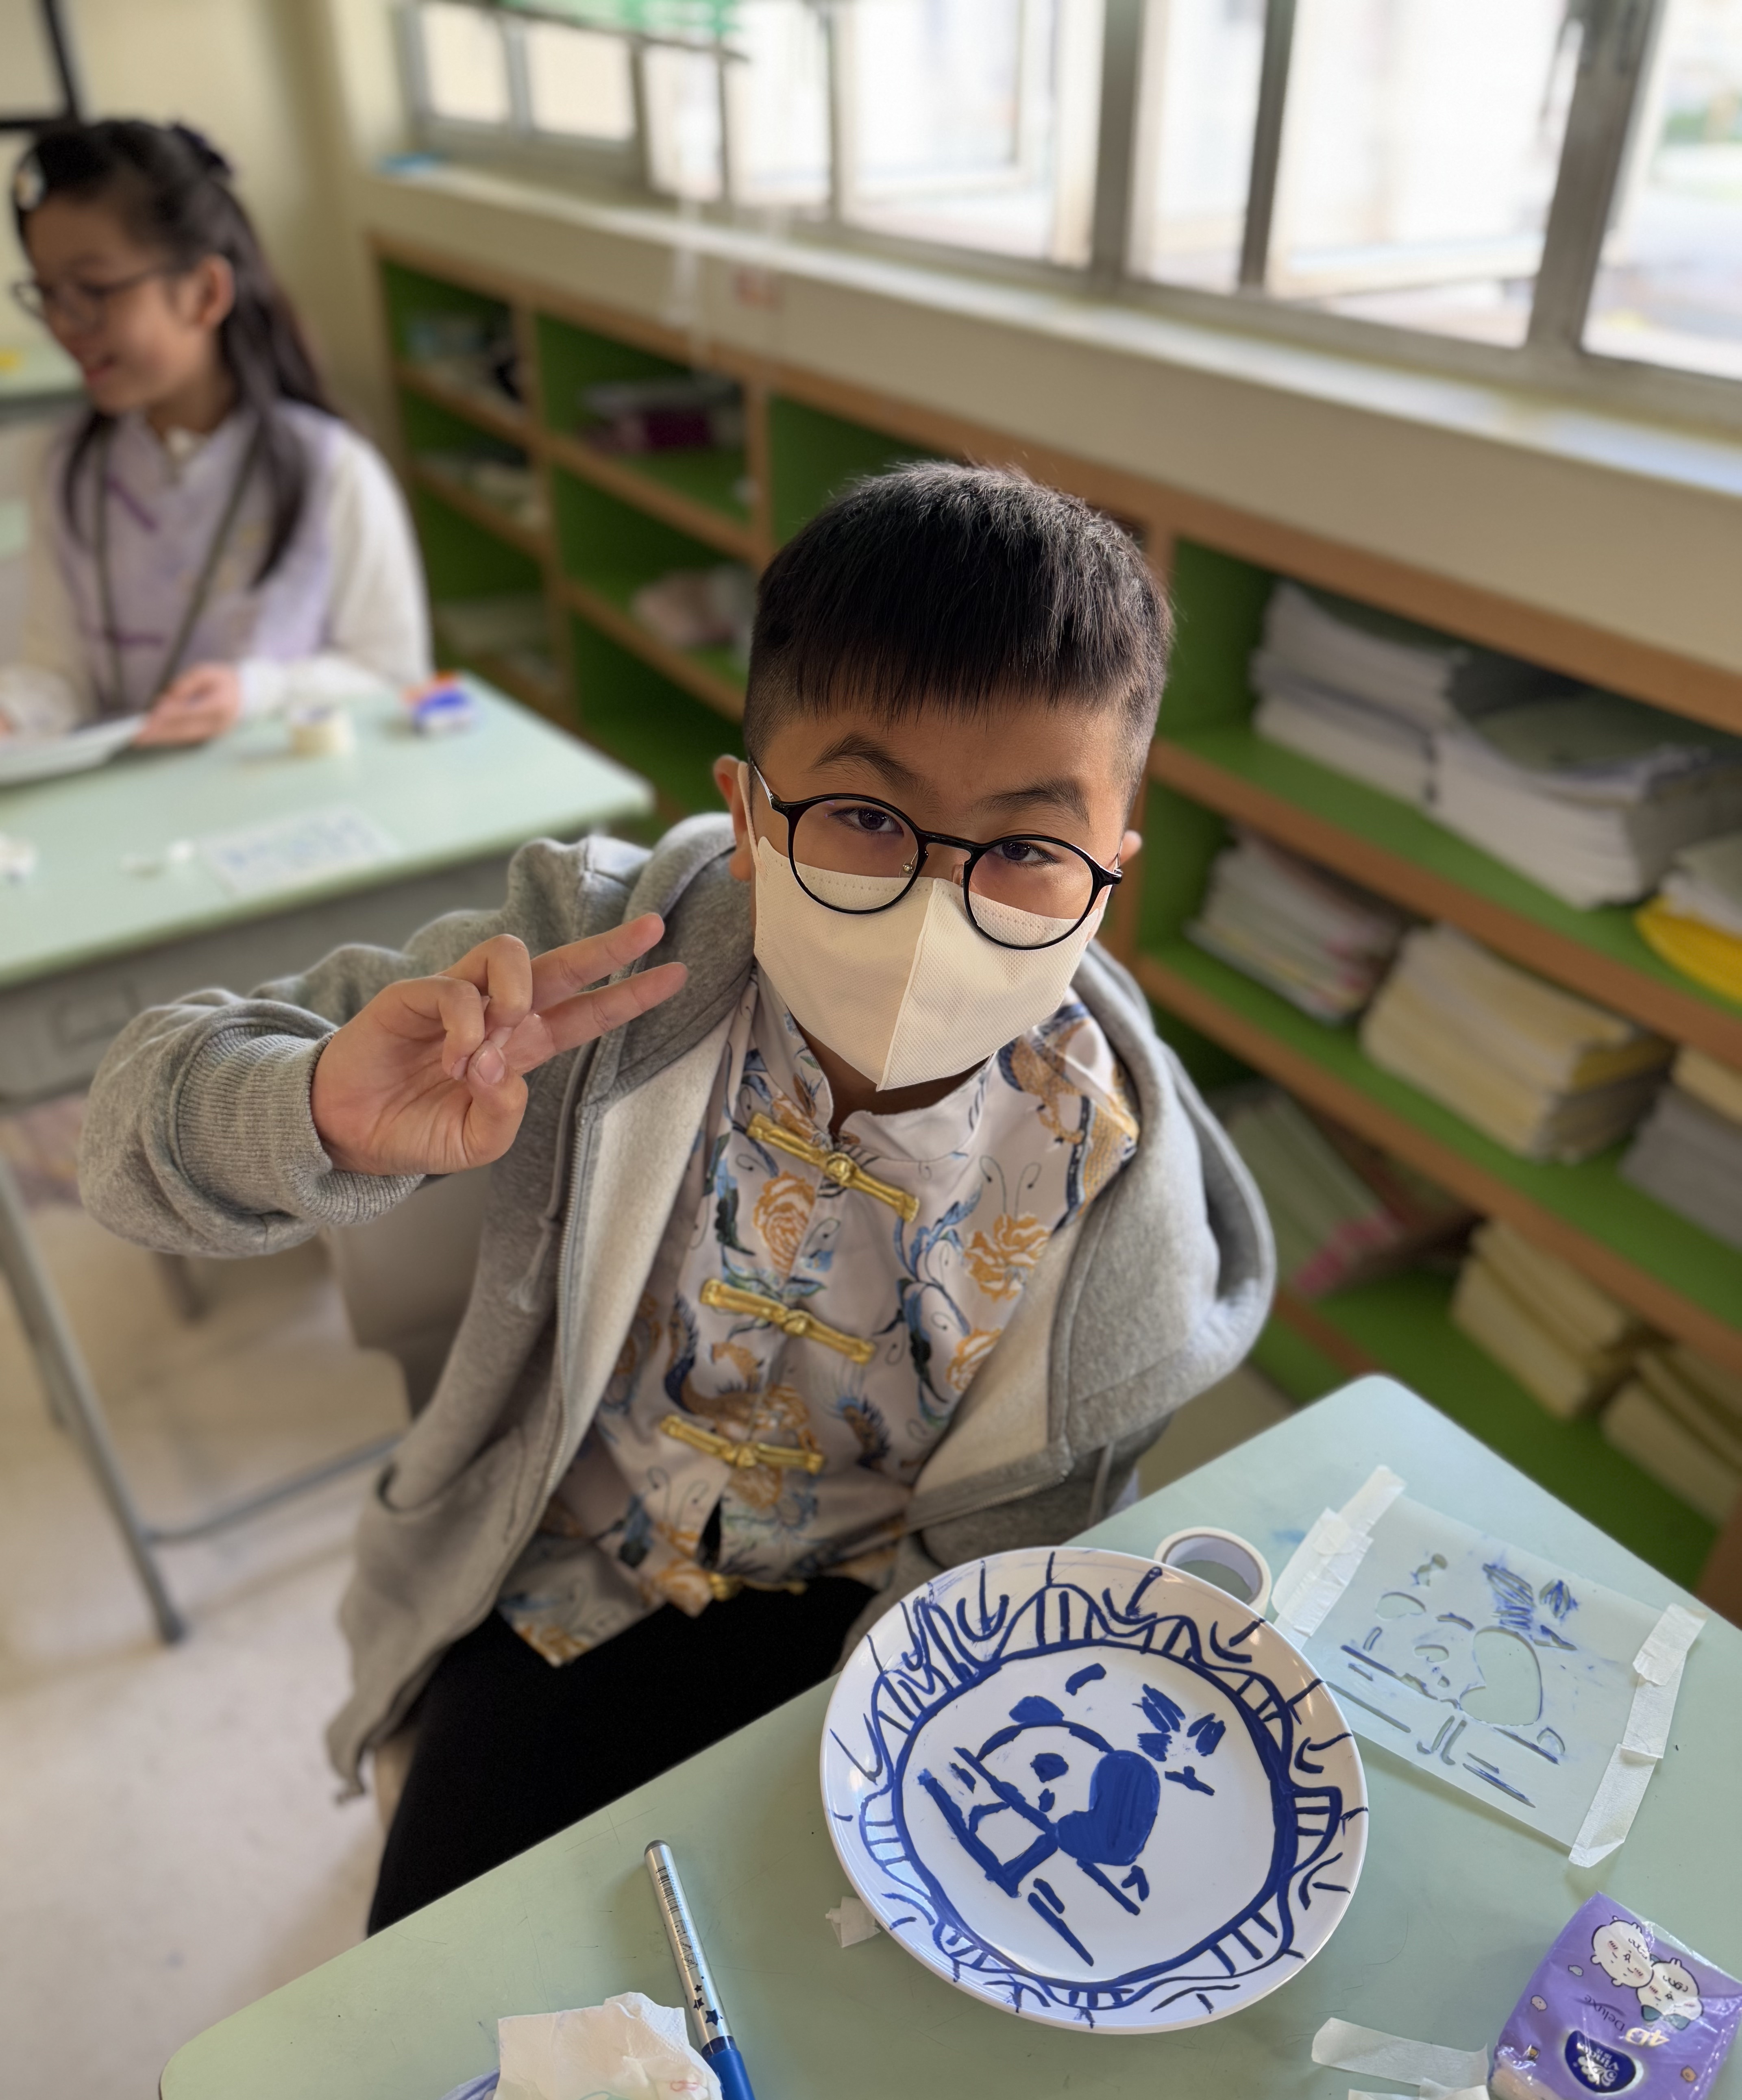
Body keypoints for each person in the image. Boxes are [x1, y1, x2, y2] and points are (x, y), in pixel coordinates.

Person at [78, 464, 1274, 1931]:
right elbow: (128, 1133)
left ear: (1110, 869)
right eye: (864, 815)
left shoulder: (1117, 1191)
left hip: (875, 1638)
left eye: (1027, 847)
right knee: (446, 1992)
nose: (938, 900)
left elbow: (1002, 1564)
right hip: (562, 1580)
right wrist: (322, 1104)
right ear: (750, 814)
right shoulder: (588, 961)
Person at [0, 118, 426, 747]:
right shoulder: (66, 467)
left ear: (204, 293)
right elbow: (60, 674)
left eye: (92, 290)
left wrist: (255, 693)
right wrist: (15, 711)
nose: (64, 324)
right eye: (48, 293)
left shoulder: (332, 469)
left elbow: (393, 673)